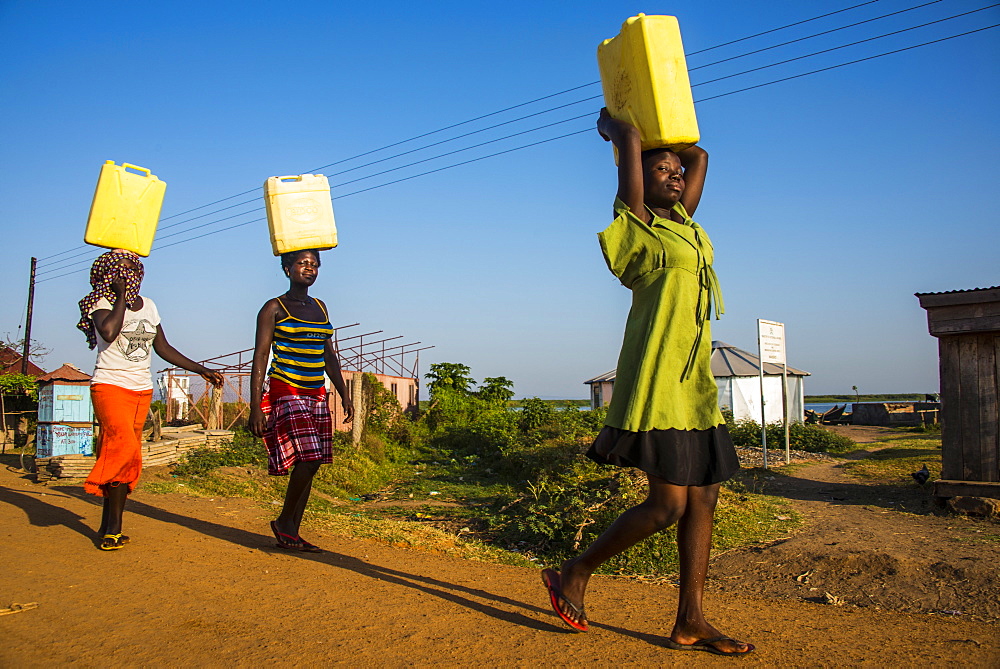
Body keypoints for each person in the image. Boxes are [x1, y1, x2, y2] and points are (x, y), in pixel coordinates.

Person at [540, 110, 753, 657]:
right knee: (668, 505)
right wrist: (622, 129)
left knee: (703, 497)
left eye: (676, 171)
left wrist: (673, 135)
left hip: (694, 385)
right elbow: (631, 145)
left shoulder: (686, 225)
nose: (676, 173)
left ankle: (691, 620)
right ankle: (576, 571)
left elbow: (700, 156)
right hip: (658, 380)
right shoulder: (638, 225)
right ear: (637, 178)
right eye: (662, 170)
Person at [78, 249, 224, 551]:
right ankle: (114, 528)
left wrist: (201, 369)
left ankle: (108, 524)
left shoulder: (150, 306)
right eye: (119, 269)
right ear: (107, 273)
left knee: (124, 453)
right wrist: (119, 296)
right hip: (110, 385)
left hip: (141, 389)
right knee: (123, 448)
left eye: (131, 268)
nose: (127, 274)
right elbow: (108, 331)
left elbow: (163, 347)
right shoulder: (100, 303)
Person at [249, 248, 353, 552]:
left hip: (315, 393)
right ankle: (284, 522)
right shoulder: (274, 308)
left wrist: (344, 392)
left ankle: (290, 530)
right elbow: (260, 357)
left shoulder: (321, 308)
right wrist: (255, 406)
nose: (309, 268)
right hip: (287, 389)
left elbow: (327, 354)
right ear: (287, 268)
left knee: (315, 459)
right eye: (302, 263)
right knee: (309, 458)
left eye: (314, 264)